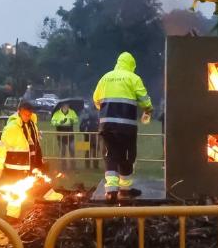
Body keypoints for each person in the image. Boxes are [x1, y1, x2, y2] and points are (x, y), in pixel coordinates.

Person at [93, 52, 153, 203]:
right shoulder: (134, 78)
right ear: (132, 65)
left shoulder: (105, 78)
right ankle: (125, 189)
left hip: (107, 126)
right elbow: (144, 100)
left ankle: (111, 191)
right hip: (126, 127)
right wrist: (148, 109)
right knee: (127, 156)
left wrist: (107, 109)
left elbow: (96, 99)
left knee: (110, 156)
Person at [0, 101, 44, 182]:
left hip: (29, 166)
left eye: (29, 115)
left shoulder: (32, 125)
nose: (27, 117)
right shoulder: (12, 127)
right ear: (19, 112)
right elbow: (2, 147)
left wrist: (39, 161)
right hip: (14, 168)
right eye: (25, 114)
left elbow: (35, 144)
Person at [52, 103, 79, 171]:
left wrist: (73, 121)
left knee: (72, 151)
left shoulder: (72, 112)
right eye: (65, 105)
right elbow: (53, 122)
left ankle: (73, 167)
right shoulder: (57, 113)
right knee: (62, 152)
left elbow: (76, 120)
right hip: (61, 137)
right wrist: (60, 123)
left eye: (67, 105)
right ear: (62, 106)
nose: (66, 107)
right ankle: (63, 167)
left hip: (70, 136)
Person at [79, 104, 100, 170]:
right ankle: (87, 166)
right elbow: (81, 128)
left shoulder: (98, 120)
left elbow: (101, 128)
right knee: (87, 152)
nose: (94, 113)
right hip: (87, 138)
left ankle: (95, 166)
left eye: (95, 111)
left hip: (95, 138)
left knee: (95, 152)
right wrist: (84, 128)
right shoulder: (85, 120)